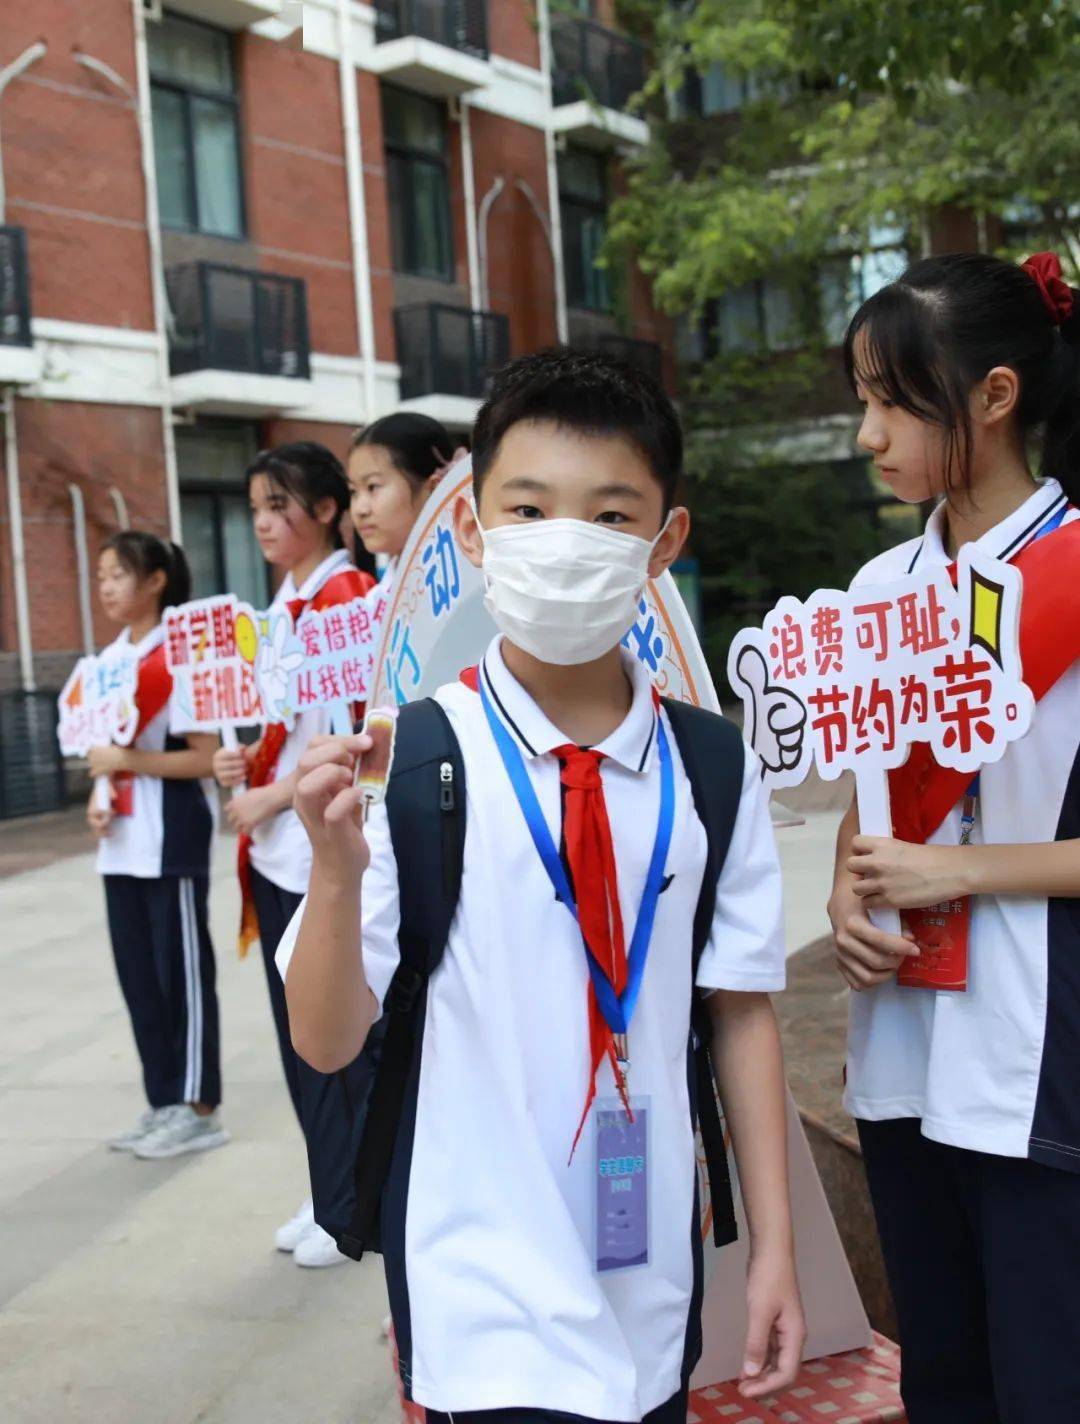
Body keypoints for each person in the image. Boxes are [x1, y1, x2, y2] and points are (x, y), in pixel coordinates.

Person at [281, 350, 805, 1419]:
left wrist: (775, 1251)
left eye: (612, 516)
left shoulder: (711, 764)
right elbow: (328, 1039)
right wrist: (334, 876)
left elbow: (739, 1008)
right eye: (528, 506)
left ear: (667, 543)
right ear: (471, 531)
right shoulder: (415, 756)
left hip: (653, 1277)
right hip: (481, 1294)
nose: (567, 541)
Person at [828, 251, 1080, 1422]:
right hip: (902, 1058)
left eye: (894, 398)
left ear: (994, 394)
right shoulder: (879, 584)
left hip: (1044, 1058)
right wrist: (846, 891)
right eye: (864, 400)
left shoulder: (1075, 571)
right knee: (946, 1379)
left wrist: (958, 869)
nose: (870, 434)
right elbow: (865, 795)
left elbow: (948, 841)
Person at [211, 441, 375, 1265]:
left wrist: (276, 795)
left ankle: (348, 1201)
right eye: (256, 510)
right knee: (297, 1035)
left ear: (324, 510)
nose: (267, 523)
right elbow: (281, 727)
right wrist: (241, 765)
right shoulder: (279, 610)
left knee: (333, 1035)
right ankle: (326, 1186)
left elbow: (359, 732)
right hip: (279, 852)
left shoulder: (349, 599)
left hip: (322, 847)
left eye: (281, 506)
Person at [87, 531, 226, 1159]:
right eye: (102, 576)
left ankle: (200, 1106)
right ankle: (163, 1100)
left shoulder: (183, 655)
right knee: (139, 978)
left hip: (170, 839)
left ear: (155, 581)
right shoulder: (110, 660)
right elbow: (101, 750)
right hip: (119, 843)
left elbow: (207, 759)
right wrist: (102, 786)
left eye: (119, 574)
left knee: (183, 977)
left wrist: (129, 759)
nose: (107, 587)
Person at [347, 412, 462, 601]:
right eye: (353, 491)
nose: (360, 509)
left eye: (372, 486)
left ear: (433, 488)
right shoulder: (376, 598)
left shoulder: (468, 580)